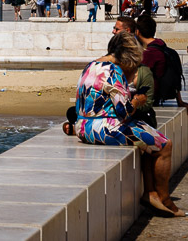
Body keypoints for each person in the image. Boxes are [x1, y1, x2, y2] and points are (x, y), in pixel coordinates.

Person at [73, 32, 181, 216]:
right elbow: (124, 111)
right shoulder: (114, 72)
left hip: (82, 127)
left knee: (148, 139)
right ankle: (165, 199)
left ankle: (151, 192)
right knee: (164, 145)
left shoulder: (91, 66)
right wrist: (138, 100)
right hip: (104, 129)